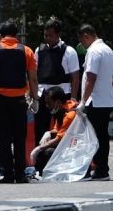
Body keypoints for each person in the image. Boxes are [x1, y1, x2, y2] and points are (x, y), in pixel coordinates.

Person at [0, 20, 39, 184]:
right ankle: (20, 174)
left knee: (3, 138)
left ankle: (8, 174)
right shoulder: (27, 51)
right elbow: (33, 78)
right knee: (20, 138)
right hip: (19, 101)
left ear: (0, 35)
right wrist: (35, 99)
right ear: (16, 35)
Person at [76, 24, 113, 181]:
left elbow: (91, 78)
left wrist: (83, 101)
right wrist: (111, 95)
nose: (82, 44)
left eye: (82, 40)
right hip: (106, 101)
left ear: (86, 36)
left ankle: (93, 170)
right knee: (102, 137)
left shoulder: (93, 51)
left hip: (95, 101)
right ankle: (102, 169)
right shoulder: (109, 51)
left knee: (91, 138)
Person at [33, 18, 80, 147]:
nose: (47, 38)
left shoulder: (69, 51)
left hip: (61, 96)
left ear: (58, 34)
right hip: (43, 95)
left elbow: (75, 77)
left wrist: (73, 99)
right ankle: (39, 158)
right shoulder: (39, 50)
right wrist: (33, 96)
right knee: (40, 129)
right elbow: (34, 74)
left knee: (62, 129)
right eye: (45, 35)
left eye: (50, 35)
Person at [29, 86, 78, 176]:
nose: (47, 106)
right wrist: (48, 133)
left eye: (49, 103)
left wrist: (38, 149)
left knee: (48, 151)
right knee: (46, 146)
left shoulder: (69, 115)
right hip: (70, 144)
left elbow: (59, 139)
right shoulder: (61, 110)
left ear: (58, 102)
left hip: (76, 148)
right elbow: (57, 130)